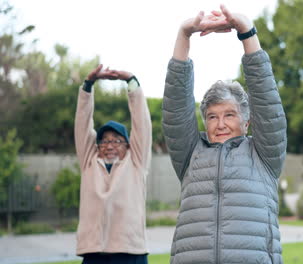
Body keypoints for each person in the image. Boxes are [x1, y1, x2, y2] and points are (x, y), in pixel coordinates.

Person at [162, 5, 287, 264]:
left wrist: (246, 32)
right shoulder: (190, 153)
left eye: (229, 114)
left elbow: (266, 99)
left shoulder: (264, 154)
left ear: (247, 121)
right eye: (212, 116)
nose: (220, 124)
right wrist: (184, 34)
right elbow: (175, 105)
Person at [74, 65, 152, 264]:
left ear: (127, 145)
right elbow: (82, 123)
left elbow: (141, 123)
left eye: (116, 140)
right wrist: (88, 85)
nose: (110, 145)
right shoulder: (89, 162)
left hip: (130, 252)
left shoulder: (136, 162)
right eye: (105, 140)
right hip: (94, 253)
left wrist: (132, 82)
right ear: (97, 146)